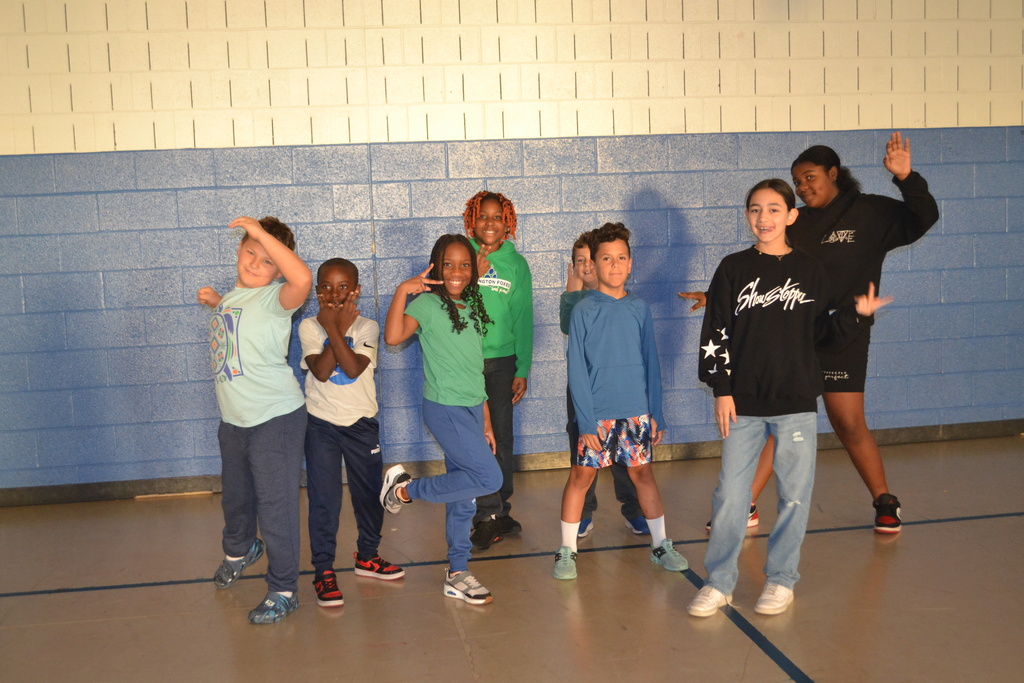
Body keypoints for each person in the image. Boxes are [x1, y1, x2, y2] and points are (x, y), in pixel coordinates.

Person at [680, 133, 938, 533]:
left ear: (833, 173)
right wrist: (716, 295)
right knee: (774, 420)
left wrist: (906, 178)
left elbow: (924, 218)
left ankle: (885, 500)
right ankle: (744, 506)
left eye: (809, 177)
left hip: (841, 333)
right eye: (797, 182)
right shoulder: (796, 223)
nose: (802, 188)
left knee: (848, 423)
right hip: (790, 338)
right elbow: (765, 270)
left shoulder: (871, 213)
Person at [687, 180, 892, 618]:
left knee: (795, 496)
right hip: (743, 403)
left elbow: (823, 335)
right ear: (747, 216)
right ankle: (719, 582)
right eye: (756, 210)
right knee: (730, 496)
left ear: (791, 216)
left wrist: (857, 315)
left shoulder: (810, 271)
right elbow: (715, 332)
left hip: (797, 401)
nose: (765, 218)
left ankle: (781, 580)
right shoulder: (732, 268)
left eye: (775, 209)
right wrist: (721, 390)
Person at [554, 222, 688, 580]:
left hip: (636, 414)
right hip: (597, 416)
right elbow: (577, 372)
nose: (614, 265)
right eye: (606, 259)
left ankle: (661, 544)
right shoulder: (583, 310)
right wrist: (585, 422)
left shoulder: (639, 308)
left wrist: (655, 412)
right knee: (581, 476)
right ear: (593, 266)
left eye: (621, 258)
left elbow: (651, 361)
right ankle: (567, 551)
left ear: (630, 264)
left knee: (642, 474)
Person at [197, 216, 312, 624]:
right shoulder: (233, 297)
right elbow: (238, 327)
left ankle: (283, 589)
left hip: (275, 418)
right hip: (234, 420)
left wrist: (263, 235)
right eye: (249, 252)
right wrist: (216, 303)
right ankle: (240, 549)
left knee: (275, 505)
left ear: (279, 270)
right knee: (236, 496)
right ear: (237, 251)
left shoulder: (278, 298)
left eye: (266, 260)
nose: (254, 262)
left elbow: (303, 279)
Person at [380, 234, 502, 605]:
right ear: (435, 266)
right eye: (448, 264)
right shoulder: (428, 304)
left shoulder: (474, 306)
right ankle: (402, 491)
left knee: (463, 494)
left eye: (464, 265)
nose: (457, 272)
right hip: (444, 409)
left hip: (469, 409)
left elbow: (473, 369)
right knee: (489, 477)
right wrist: (404, 289)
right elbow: (392, 336)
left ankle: (457, 571)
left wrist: (486, 421)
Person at [299, 258, 405, 609]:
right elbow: (323, 371)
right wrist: (332, 327)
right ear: (316, 292)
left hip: (361, 425)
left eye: (343, 287)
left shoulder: (368, 327)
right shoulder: (308, 328)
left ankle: (368, 556)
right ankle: (324, 570)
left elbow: (352, 366)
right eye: (326, 287)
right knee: (324, 500)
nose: (334, 294)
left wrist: (336, 328)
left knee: (368, 494)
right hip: (321, 426)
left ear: (356, 290)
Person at [560, 230, 648, 538]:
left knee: (628, 459)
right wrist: (574, 282)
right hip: (587, 391)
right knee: (585, 454)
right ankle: (583, 513)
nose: (586, 266)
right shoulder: (579, 303)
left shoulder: (625, 301)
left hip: (623, 395)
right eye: (579, 261)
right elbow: (565, 323)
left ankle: (634, 510)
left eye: (590, 259)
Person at [461, 191, 534, 551]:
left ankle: (501, 507)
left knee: (503, 438)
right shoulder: (460, 257)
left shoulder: (516, 265)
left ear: (508, 223)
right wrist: (473, 271)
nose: (490, 223)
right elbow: (451, 302)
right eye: (482, 217)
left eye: (497, 217)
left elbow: (523, 319)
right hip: (469, 361)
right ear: (471, 221)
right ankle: (484, 515)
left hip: (503, 363)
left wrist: (523, 367)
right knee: (480, 439)